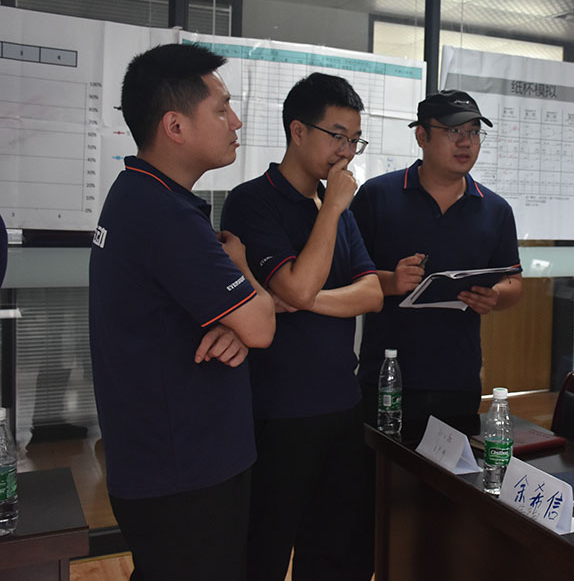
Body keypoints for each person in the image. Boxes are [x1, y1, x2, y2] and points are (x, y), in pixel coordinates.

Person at [89, 43, 275, 581]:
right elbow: (262, 324)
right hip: (184, 471)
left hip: (167, 462)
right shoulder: (164, 215)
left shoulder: (138, 193)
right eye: (221, 108)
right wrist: (243, 271)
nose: (235, 121)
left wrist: (237, 321)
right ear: (175, 126)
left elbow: (238, 322)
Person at [220, 73, 382, 581]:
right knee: (262, 555)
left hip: (341, 405)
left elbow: (371, 293)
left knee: (335, 556)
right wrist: (331, 209)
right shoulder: (253, 201)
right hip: (276, 412)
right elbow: (297, 286)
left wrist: (295, 299)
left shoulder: (336, 209)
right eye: (338, 136)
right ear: (298, 131)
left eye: (355, 140)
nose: (347, 151)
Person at [351, 89, 522, 441]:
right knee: (378, 471)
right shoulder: (376, 195)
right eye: (453, 131)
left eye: (474, 132)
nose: (466, 142)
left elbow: (513, 282)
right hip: (386, 375)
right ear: (421, 136)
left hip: (458, 380)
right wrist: (390, 281)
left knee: (450, 473)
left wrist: (496, 297)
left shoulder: (495, 209)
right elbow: (344, 276)